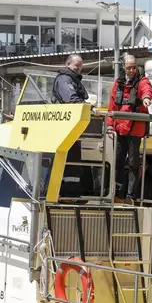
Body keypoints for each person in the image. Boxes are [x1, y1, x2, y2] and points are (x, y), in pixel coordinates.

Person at [106, 54, 152, 205]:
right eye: (129, 67)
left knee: (133, 163)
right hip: (120, 129)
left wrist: (146, 98)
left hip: (135, 130)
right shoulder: (118, 83)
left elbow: (147, 89)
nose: (132, 70)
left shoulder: (142, 81)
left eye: (134, 67)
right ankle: (119, 194)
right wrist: (109, 124)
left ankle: (130, 196)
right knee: (118, 161)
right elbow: (112, 106)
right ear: (124, 68)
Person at [51, 54, 96, 200]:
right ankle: (67, 193)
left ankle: (71, 192)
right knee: (69, 161)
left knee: (73, 162)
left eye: (80, 65)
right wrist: (90, 108)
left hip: (72, 128)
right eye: (76, 65)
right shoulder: (64, 79)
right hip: (64, 127)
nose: (79, 67)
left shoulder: (71, 79)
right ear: (68, 64)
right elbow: (71, 99)